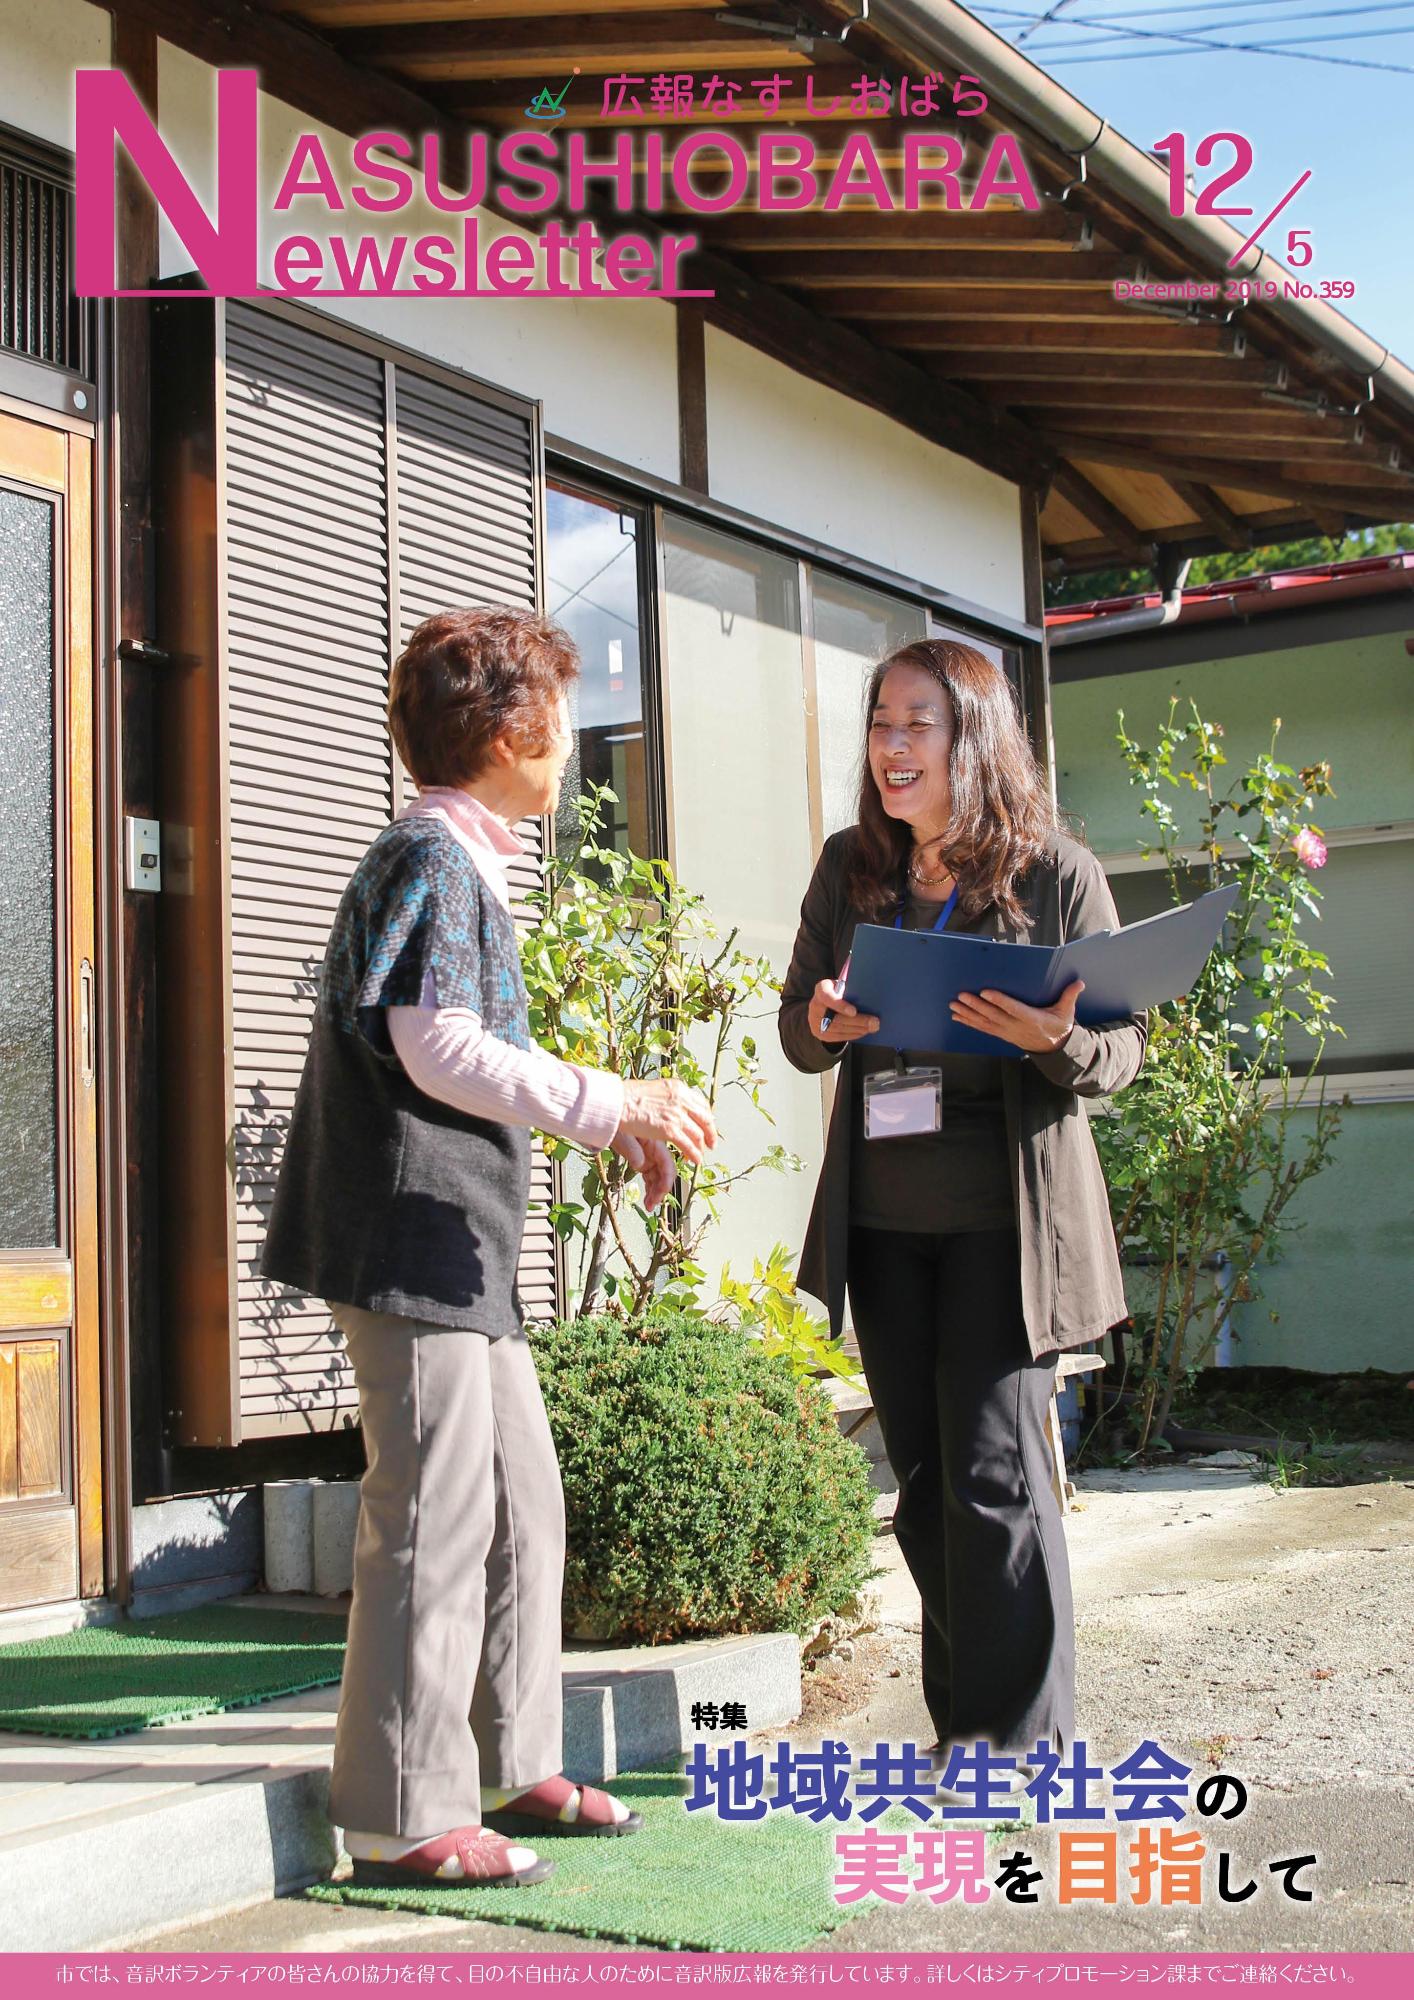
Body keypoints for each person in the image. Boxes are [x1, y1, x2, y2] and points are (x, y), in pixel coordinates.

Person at [262, 606, 717, 1888]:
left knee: (523, 1502)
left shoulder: (457, 855)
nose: (569, 745)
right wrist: (611, 1098)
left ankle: (513, 1762)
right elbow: (437, 1049)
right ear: (511, 732)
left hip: (455, 1245)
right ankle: (401, 1814)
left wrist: (602, 1117)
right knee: (433, 1520)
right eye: (561, 720)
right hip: (410, 1240)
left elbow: (456, 1052)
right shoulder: (431, 857)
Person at [777, 638, 1145, 1776]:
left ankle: (1024, 1744)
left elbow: (1121, 1049)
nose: (890, 746)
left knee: (995, 1474)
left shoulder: (1053, 872)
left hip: (1006, 1224)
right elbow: (798, 1017)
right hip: (884, 1225)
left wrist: (1057, 1036)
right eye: (880, 722)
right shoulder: (850, 868)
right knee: (928, 1485)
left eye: (915, 723)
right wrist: (823, 1023)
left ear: (971, 737)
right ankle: (963, 1734)